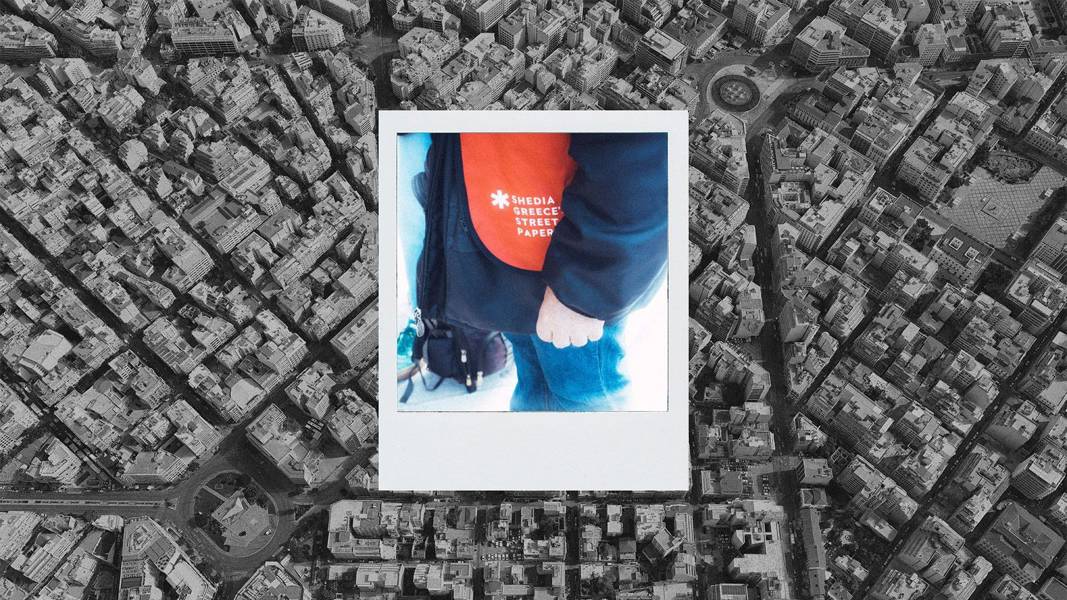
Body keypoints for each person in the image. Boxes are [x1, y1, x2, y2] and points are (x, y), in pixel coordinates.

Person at [416, 132, 668, 411]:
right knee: (535, 379)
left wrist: (585, 289)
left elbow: (638, 160)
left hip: (566, 269)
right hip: (509, 248)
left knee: (584, 398)